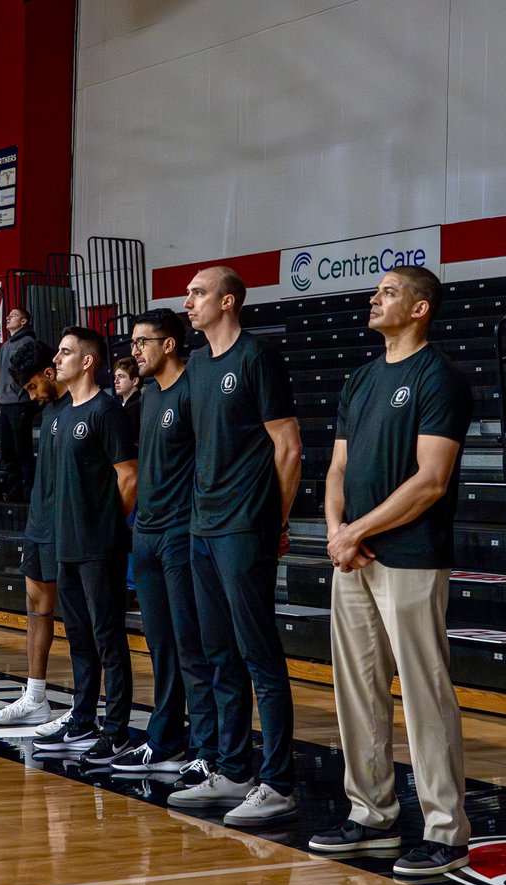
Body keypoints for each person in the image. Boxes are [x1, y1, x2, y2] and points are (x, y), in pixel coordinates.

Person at [309, 267, 472, 876]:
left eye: (389, 291)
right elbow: (337, 471)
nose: (375, 299)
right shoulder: (360, 377)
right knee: (357, 691)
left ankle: (446, 830)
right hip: (351, 557)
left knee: (425, 694)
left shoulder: (441, 376)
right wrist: (335, 532)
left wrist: (356, 531)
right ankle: (370, 814)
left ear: (421, 307)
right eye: (376, 291)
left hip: (411, 556)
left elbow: (431, 481)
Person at [168, 266, 302, 826]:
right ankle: (234, 769)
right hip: (202, 527)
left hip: (246, 527)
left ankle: (278, 781)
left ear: (228, 302)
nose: (188, 301)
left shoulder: (257, 356)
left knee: (258, 656)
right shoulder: (196, 365)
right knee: (217, 654)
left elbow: (288, 447)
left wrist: (276, 521)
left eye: (198, 293)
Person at [111, 310, 222, 782]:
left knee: (190, 645)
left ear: (171, 344)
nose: (135, 350)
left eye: (143, 342)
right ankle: (165, 738)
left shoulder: (193, 392)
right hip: (147, 533)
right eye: (133, 343)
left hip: (181, 532)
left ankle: (206, 747)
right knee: (159, 644)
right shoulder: (150, 395)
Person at [31, 327, 137, 766]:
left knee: (108, 637)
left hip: (99, 544)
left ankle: (117, 732)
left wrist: (107, 526)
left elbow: (128, 477)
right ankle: (83, 717)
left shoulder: (107, 410)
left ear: (88, 361)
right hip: (65, 543)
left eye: (65, 352)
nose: (57, 358)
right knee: (77, 637)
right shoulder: (55, 415)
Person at [0, 340, 67, 727]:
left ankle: (85, 710)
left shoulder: (87, 408)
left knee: (83, 619)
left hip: (71, 529)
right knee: (35, 605)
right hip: (40, 522)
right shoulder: (49, 411)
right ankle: (34, 696)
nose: (31, 397)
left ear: (48, 373)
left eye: (32, 387)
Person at [0, 307, 37, 501]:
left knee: (22, 452)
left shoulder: (27, 342)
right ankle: (14, 493)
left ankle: (26, 494)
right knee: (8, 453)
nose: (8, 317)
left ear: (24, 321)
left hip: (19, 403)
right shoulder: (5, 345)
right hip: (6, 402)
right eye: (8, 315)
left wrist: (18, 390)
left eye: (14, 315)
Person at [112, 356, 142, 445]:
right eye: (115, 377)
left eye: (121, 376)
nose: (115, 381)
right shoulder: (119, 405)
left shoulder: (139, 406)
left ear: (135, 381)